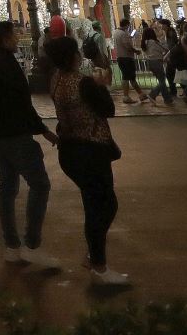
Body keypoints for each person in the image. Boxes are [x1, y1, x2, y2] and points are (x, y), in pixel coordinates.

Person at [0, 21, 60, 270]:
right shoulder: (6, 63)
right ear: (5, 38)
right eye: (14, 35)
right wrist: (44, 131)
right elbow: (21, 103)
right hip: (15, 133)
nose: (18, 39)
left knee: (7, 186)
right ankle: (32, 245)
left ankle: (12, 246)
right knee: (39, 184)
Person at [47, 34, 129, 286]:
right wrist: (100, 85)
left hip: (70, 150)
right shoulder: (83, 83)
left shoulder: (56, 79)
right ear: (72, 56)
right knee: (105, 205)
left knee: (93, 204)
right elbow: (108, 110)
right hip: (90, 149)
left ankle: (94, 255)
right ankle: (98, 265)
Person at [111, 21, 151, 106]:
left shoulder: (116, 32)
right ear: (126, 25)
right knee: (127, 77)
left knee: (131, 77)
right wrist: (136, 51)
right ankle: (126, 96)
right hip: (126, 58)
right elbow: (128, 46)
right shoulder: (123, 34)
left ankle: (141, 94)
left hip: (120, 57)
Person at [140, 22, 175, 105]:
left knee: (161, 81)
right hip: (156, 62)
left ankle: (167, 99)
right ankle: (152, 94)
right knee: (162, 81)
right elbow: (164, 49)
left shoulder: (145, 43)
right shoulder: (153, 42)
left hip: (150, 62)